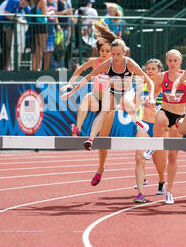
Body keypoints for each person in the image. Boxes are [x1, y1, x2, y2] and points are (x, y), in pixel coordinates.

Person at [61, 22, 155, 151]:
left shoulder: (130, 63)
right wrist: (71, 92)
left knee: (126, 101)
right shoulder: (106, 64)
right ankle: (90, 139)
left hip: (127, 91)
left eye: (118, 54)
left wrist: (150, 96)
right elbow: (87, 77)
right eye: (113, 54)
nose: (116, 57)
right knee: (103, 113)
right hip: (111, 91)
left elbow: (149, 81)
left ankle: (137, 120)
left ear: (124, 52)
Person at [143, 50, 186, 204]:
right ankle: (153, 145)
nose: (173, 63)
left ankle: (169, 191)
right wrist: (151, 100)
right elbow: (153, 92)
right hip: (165, 110)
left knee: (173, 156)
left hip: (180, 115)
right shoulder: (162, 76)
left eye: (175, 60)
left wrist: (183, 81)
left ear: (180, 61)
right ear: (167, 62)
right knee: (160, 119)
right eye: (170, 61)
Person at [60, 20, 112, 185]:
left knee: (103, 142)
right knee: (86, 98)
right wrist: (70, 83)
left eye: (107, 51)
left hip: (109, 105)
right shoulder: (94, 62)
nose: (104, 54)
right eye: (102, 51)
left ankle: (100, 169)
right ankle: (78, 129)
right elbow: (80, 69)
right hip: (96, 99)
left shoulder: (116, 63)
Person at [134, 59, 167, 203]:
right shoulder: (141, 87)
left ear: (160, 71)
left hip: (159, 128)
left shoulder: (165, 88)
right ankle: (140, 193)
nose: (150, 71)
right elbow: (135, 104)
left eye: (154, 69)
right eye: (148, 68)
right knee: (139, 158)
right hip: (144, 125)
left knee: (159, 164)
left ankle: (161, 180)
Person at [29, 0, 48, 71]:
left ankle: (34, 67)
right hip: (41, 26)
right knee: (41, 48)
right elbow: (45, 15)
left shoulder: (34, 1)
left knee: (37, 48)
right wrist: (52, 13)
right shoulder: (43, 1)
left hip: (36, 26)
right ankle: (37, 68)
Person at [44, 0, 61, 70]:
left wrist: (57, 25)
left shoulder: (55, 1)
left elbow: (54, 15)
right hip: (44, 27)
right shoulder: (43, 0)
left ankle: (46, 69)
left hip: (52, 28)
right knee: (42, 50)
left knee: (49, 50)